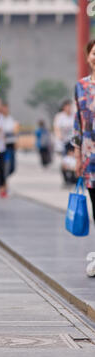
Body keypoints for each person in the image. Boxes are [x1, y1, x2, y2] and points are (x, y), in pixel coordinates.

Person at [72, 39, 95, 277]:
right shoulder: (80, 86)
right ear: (88, 57)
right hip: (90, 157)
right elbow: (77, 123)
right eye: (94, 53)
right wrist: (77, 155)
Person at [0, 102, 19, 178]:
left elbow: (15, 131)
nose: (6, 109)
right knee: (4, 166)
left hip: (11, 144)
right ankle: (2, 182)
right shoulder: (0, 118)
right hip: (4, 145)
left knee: (12, 167)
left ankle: (3, 179)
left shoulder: (10, 118)